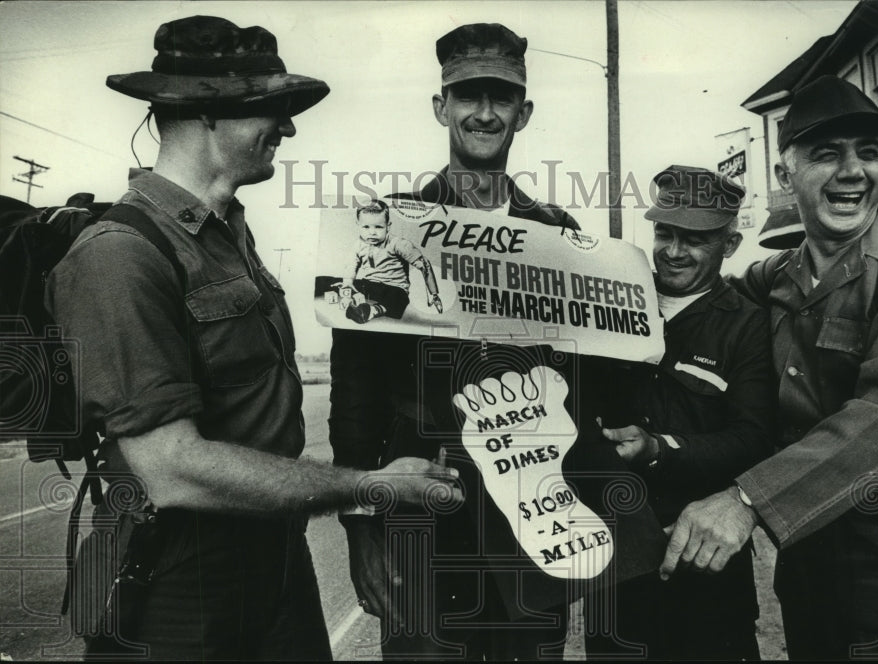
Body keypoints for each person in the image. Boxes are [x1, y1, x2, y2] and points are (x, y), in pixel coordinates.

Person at [45, 16, 461, 661]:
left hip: (273, 559)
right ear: (205, 112)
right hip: (179, 581)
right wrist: (367, 483)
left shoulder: (228, 235)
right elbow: (173, 469)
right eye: (273, 107)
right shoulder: (120, 255)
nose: (289, 127)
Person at [658, 75, 878, 659]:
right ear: (786, 177)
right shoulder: (775, 277)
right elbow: (702, 294)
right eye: (827, 154)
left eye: (869, 152)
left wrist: (746, 500)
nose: (852, 171)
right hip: (810, 556)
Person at [329, 23, 582, 660]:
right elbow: (354, 395)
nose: (485, 112)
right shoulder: (386, 226)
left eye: (502, 98)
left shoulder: (558, 233)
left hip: (530, 508)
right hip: (422, 504)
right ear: (441, 106)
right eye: (469, 96)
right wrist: (361, 525)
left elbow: (584, 385)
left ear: (524, 113)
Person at [584, 166, 773, 660]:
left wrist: (659, 449)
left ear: (729, 245)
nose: (672, 251)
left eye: (694, 239)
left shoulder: (749, 325)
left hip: (705, 566)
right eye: (665, 233)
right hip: (615, 561)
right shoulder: (613, 296)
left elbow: (753, 436)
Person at [337, 199, 443, 323]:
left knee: (399, 299)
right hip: (371, 285)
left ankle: (371, 311)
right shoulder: (358, 245)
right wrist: (347, 282)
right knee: (326, 281)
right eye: (366, 227)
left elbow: (425, 265)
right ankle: (353, 304)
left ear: (388, 226)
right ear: (358, 225)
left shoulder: (398, 244)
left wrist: (434, 294)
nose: (372, 232)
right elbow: (351, 265)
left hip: (393, 289)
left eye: (378, 227)